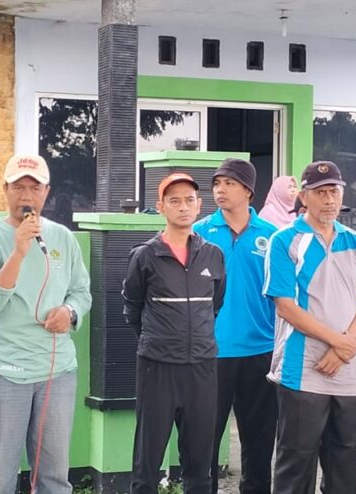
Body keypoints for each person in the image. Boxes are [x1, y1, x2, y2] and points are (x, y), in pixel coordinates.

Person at [0, 155, 91, 494]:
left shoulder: (62, 237)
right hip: (3, 371)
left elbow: (81, 292)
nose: (26, 195)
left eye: (34, 188)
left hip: (56, 371)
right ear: (5, 189)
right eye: (18, 187)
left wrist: (70, 312)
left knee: (54, 477)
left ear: (46, 192)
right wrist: (19, 252)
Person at [263, 161, 356, 494]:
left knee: (344, 466)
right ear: (304, 197)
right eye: (320, 192)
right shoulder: (284, 241)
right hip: (302, 369)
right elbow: (286, 306)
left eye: (334, 191)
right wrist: (337, 342)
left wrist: (345, 346)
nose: (329, 199)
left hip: (350, 372)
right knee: (295, 466)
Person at [124, 172, 226, 494]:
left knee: (200, 462)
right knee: (147, 460)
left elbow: (215, 304)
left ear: (199, 205)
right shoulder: (145, 255)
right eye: (174, 201)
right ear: (161, 207)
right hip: (158, 367)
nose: (183, 207)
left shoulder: (213, 254)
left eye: (189, 200)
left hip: (202, 367)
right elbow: (133, 309)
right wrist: (159, 339)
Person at [193, 159, 278, 494]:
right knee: (204, 442)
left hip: (261, 351)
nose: (220, 190)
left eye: (229, 183)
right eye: (217, 183)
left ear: (248, 191)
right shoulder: (199, 233)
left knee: (259, 443)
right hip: (211, 352)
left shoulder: (271, 236)